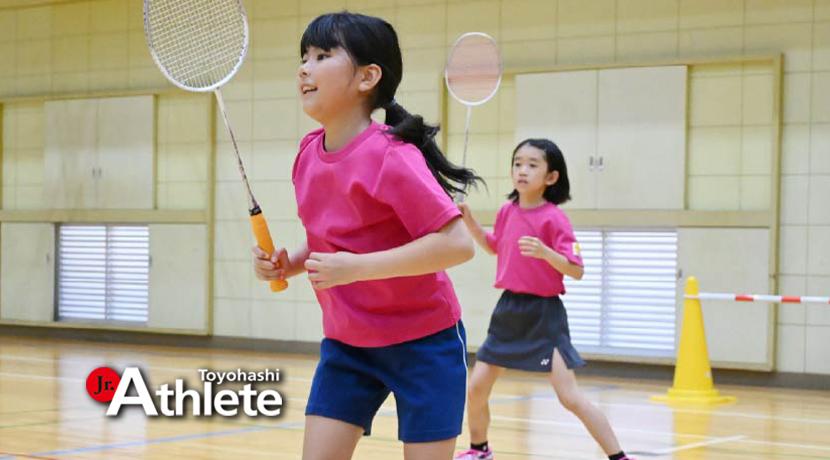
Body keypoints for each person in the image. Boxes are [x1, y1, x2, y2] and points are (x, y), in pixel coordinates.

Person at [252, 12, 484, 460]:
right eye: (303, 57)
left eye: (322, 56)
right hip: (347, 345)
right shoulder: (307, 154)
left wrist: (357, 268)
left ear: (367, 77)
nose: (304, 68)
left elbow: (457, 244)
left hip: (424, 343)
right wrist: (288, 264)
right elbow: (330, 238)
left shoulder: (391, 155)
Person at [454, 138, 633, 460]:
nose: (522, 170)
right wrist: (469, 221)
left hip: (544, 314)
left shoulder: (554, 218)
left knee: (569, 396)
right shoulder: (507, 211)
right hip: (508, 310)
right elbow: (495, 246)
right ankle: (480, 449)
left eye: (532, 165)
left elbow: (577, 270)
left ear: (551, 177)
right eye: (517, 163)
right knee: (476, 388)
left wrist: (546, 252)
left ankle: (618, 456)